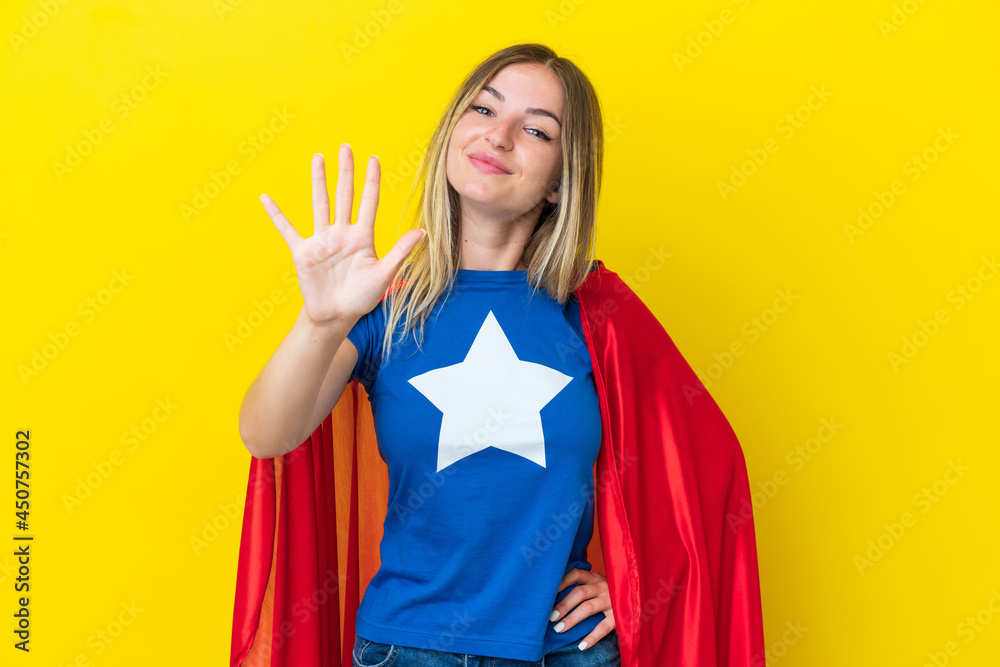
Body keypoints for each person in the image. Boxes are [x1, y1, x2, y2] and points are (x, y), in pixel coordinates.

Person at [233, 43, 765, 667]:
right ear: (453, 130)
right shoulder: (386, 306)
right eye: (484, 108)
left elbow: (706, 479)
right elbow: (267, 435)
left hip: (569, 653)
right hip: (407, 649)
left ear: (563, 180)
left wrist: (641, 588)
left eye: (537, 129)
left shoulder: (599, 314)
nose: (500, 134)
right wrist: (321, 321)